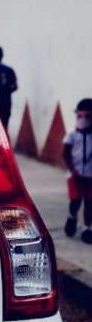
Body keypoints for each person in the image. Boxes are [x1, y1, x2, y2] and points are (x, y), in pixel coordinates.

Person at [63, 98, 92, 243]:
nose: (83, 119)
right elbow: (66, 153)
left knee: (89, 202)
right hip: (75, 174)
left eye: (87, 116)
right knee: (75, 200)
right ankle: (72, 216)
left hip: (90, 174)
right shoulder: (72, 135)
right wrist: (72, 169)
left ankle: (87, 228)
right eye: (80, 116)